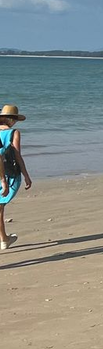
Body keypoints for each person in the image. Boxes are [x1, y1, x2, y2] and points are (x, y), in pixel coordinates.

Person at [0, 103, 32, 251]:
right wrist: (26, 175)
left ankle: (4, 238)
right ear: (12, 120)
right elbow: (17, 156)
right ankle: (4, 240)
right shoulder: (14, 133)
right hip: (9, 174)